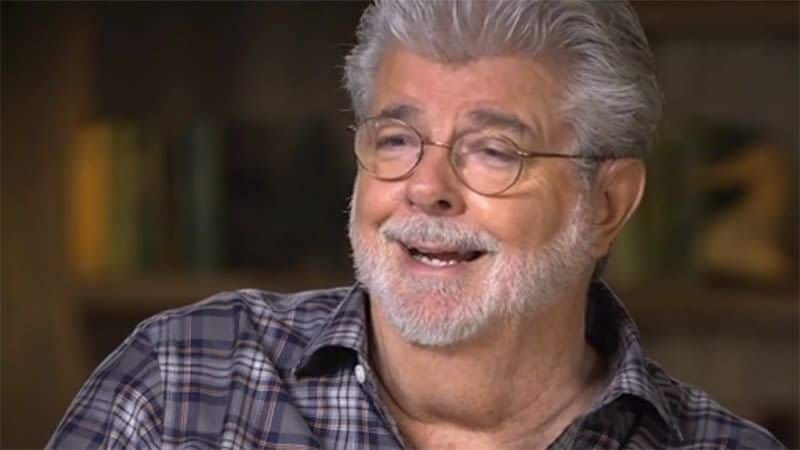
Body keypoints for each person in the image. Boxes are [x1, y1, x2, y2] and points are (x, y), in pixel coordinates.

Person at [48, 1, 785, 449]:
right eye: (397, 140)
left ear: (608, 204)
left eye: (493, 151)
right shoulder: (183, 383)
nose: (426, 189)